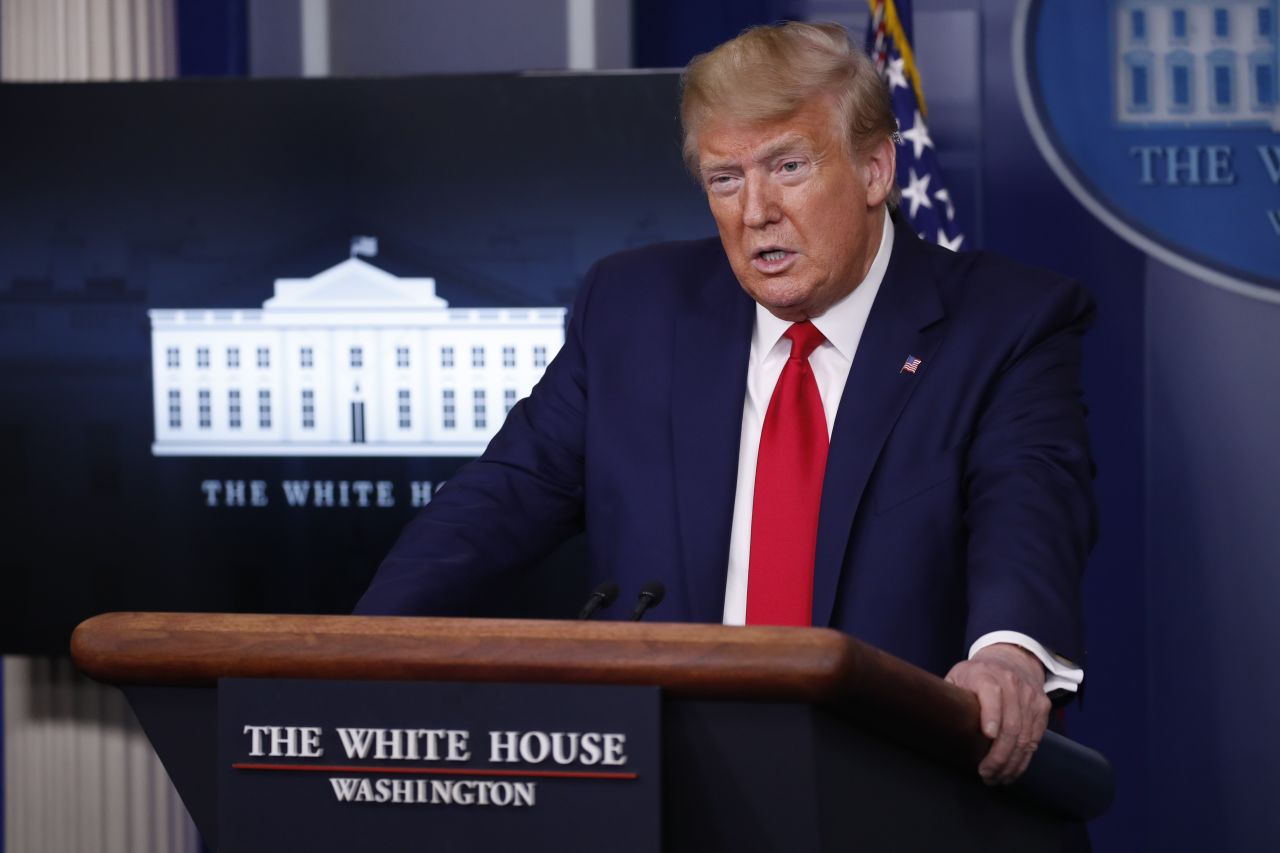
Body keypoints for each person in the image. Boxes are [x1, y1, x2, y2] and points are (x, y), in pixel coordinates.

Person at [355, 22, 1095, 786]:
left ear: (876, 169)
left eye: (788, 166)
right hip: (666, 785)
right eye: (725, 179)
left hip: (899, 787)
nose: (756, 212)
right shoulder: (634, 310)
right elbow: (500, 497)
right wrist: (353, 649)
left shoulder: (1005, 324)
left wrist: (1008, 655)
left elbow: (1030, 505)